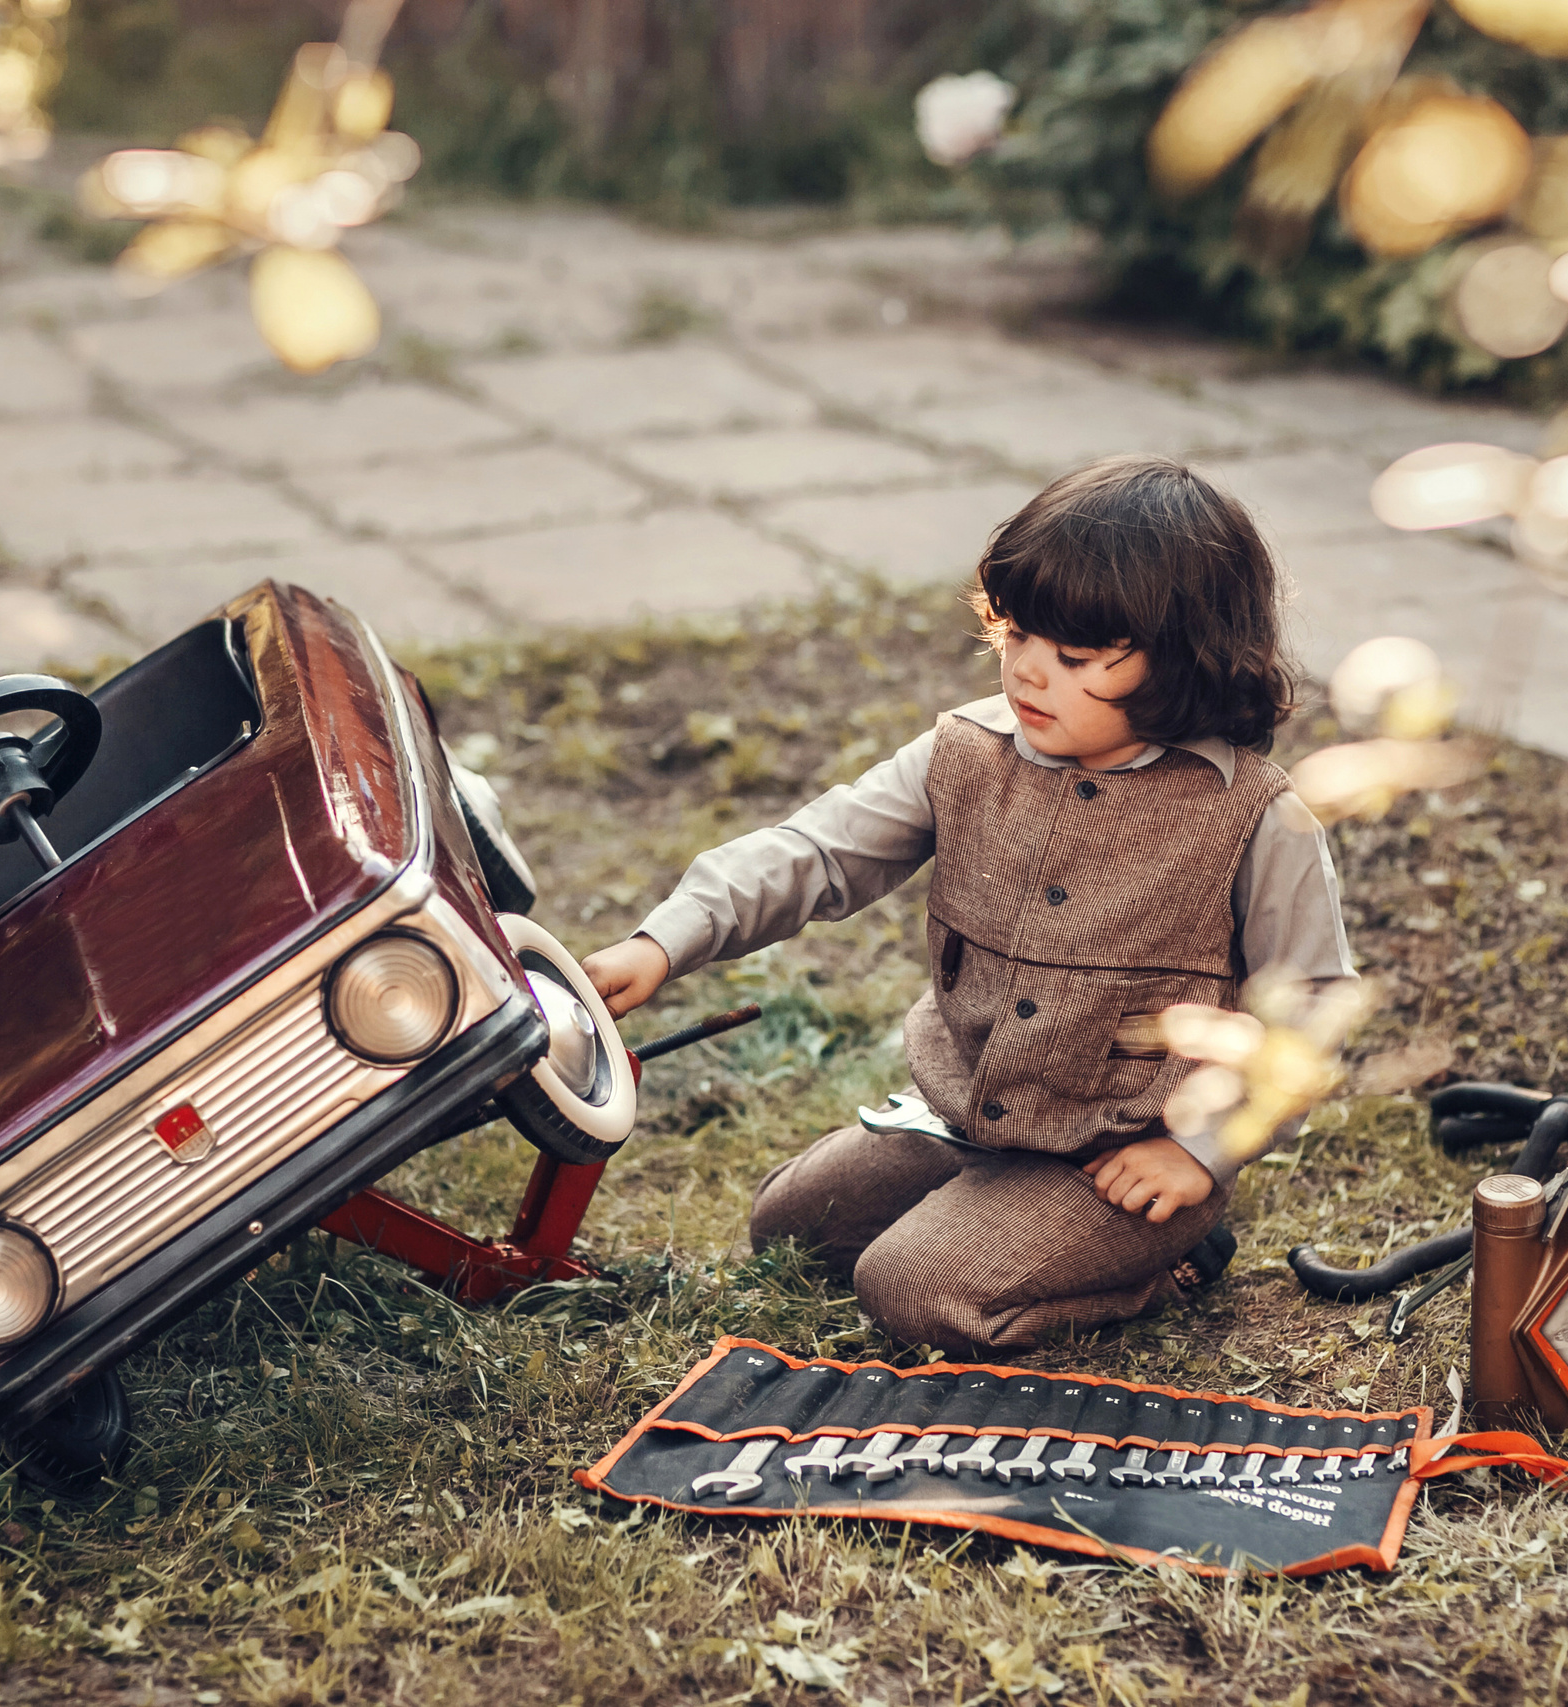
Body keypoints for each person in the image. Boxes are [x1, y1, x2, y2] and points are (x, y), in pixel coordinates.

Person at [579, 454, 1353, 1356]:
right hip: (969, 1122)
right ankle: (988, 1212)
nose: (1028, 673)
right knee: (790, 1225)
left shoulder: (1258, 817)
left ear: (1185, 661)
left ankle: (1163, 1261)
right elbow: (815, 850)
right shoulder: (967, 750)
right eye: (1016, 634)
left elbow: (1314, 1011)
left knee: (909, 1289)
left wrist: (1201, 1153)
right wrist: (663, 942)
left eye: (1074, 658)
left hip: (1121, 1155)